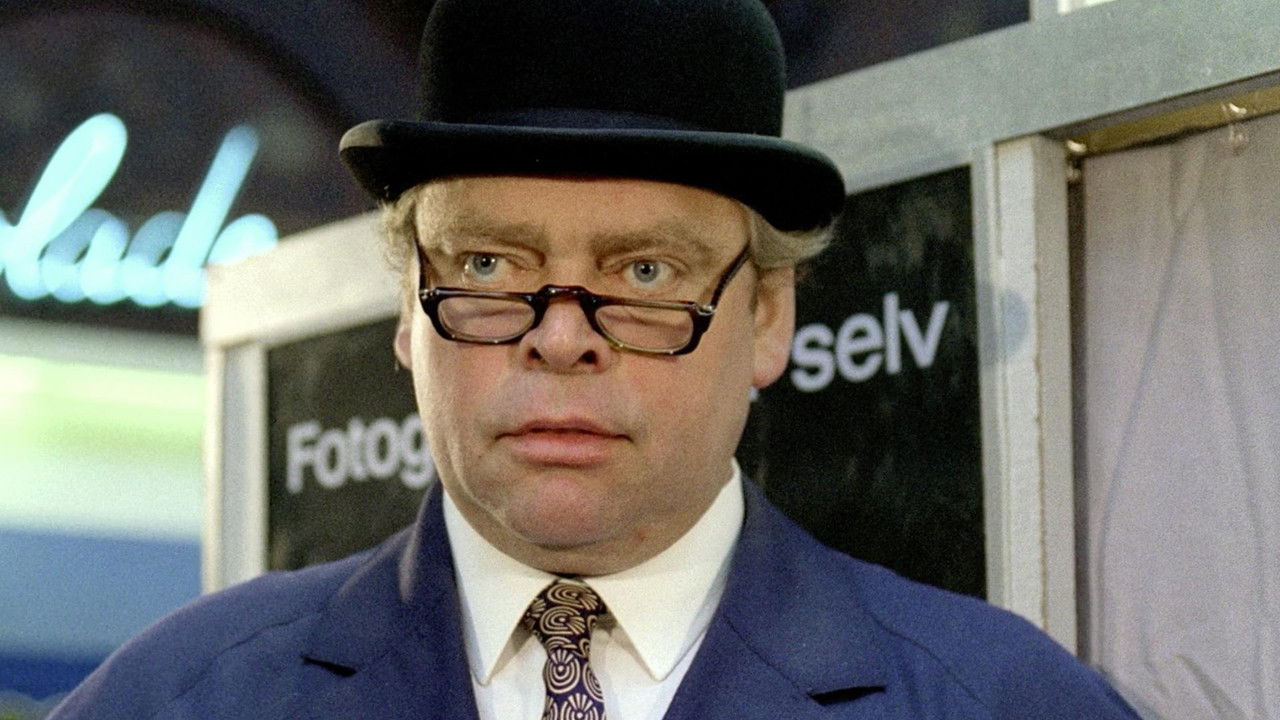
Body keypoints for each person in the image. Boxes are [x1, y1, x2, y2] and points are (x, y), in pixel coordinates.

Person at [51, 0, 1142, 718]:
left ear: (767, 316)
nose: (562, 336)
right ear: (406, 310)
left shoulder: (1002, 703)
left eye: (647, 272)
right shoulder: (180, 699)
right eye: (488, 262)